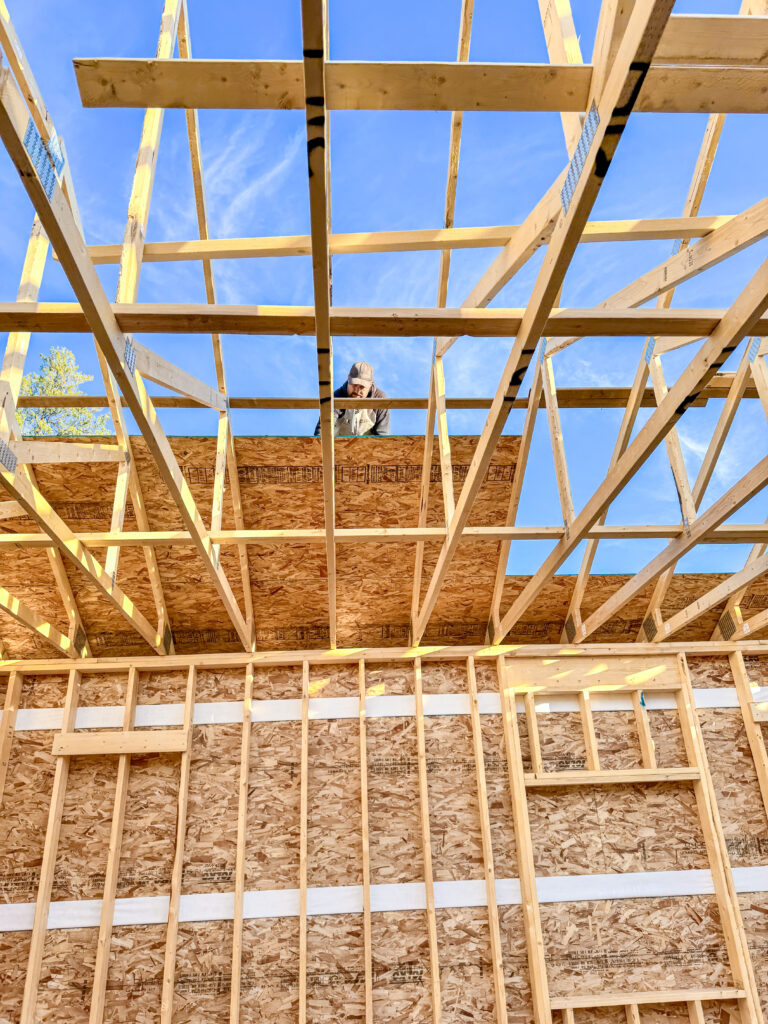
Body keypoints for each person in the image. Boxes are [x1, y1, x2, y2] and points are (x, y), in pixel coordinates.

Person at [314, 361, 390, 437]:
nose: (357, 391)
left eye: (362, 387)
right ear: (348, 379)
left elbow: (383, 435)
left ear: (371, 384)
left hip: (369, 446)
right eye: (354, 384)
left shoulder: (380, 400)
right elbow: (322, 431)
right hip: (338, 446)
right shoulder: (336, 397)